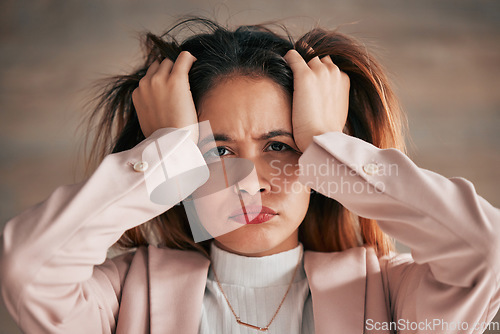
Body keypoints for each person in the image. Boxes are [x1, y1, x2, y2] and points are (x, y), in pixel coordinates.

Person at [1, 16, 499, 334]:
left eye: (280, 146)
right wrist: (164, 154)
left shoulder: (392, 300)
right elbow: (27, 269)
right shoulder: (121, 299)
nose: (253, 181)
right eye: (217, 150)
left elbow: (487, 254)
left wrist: (331, 146)